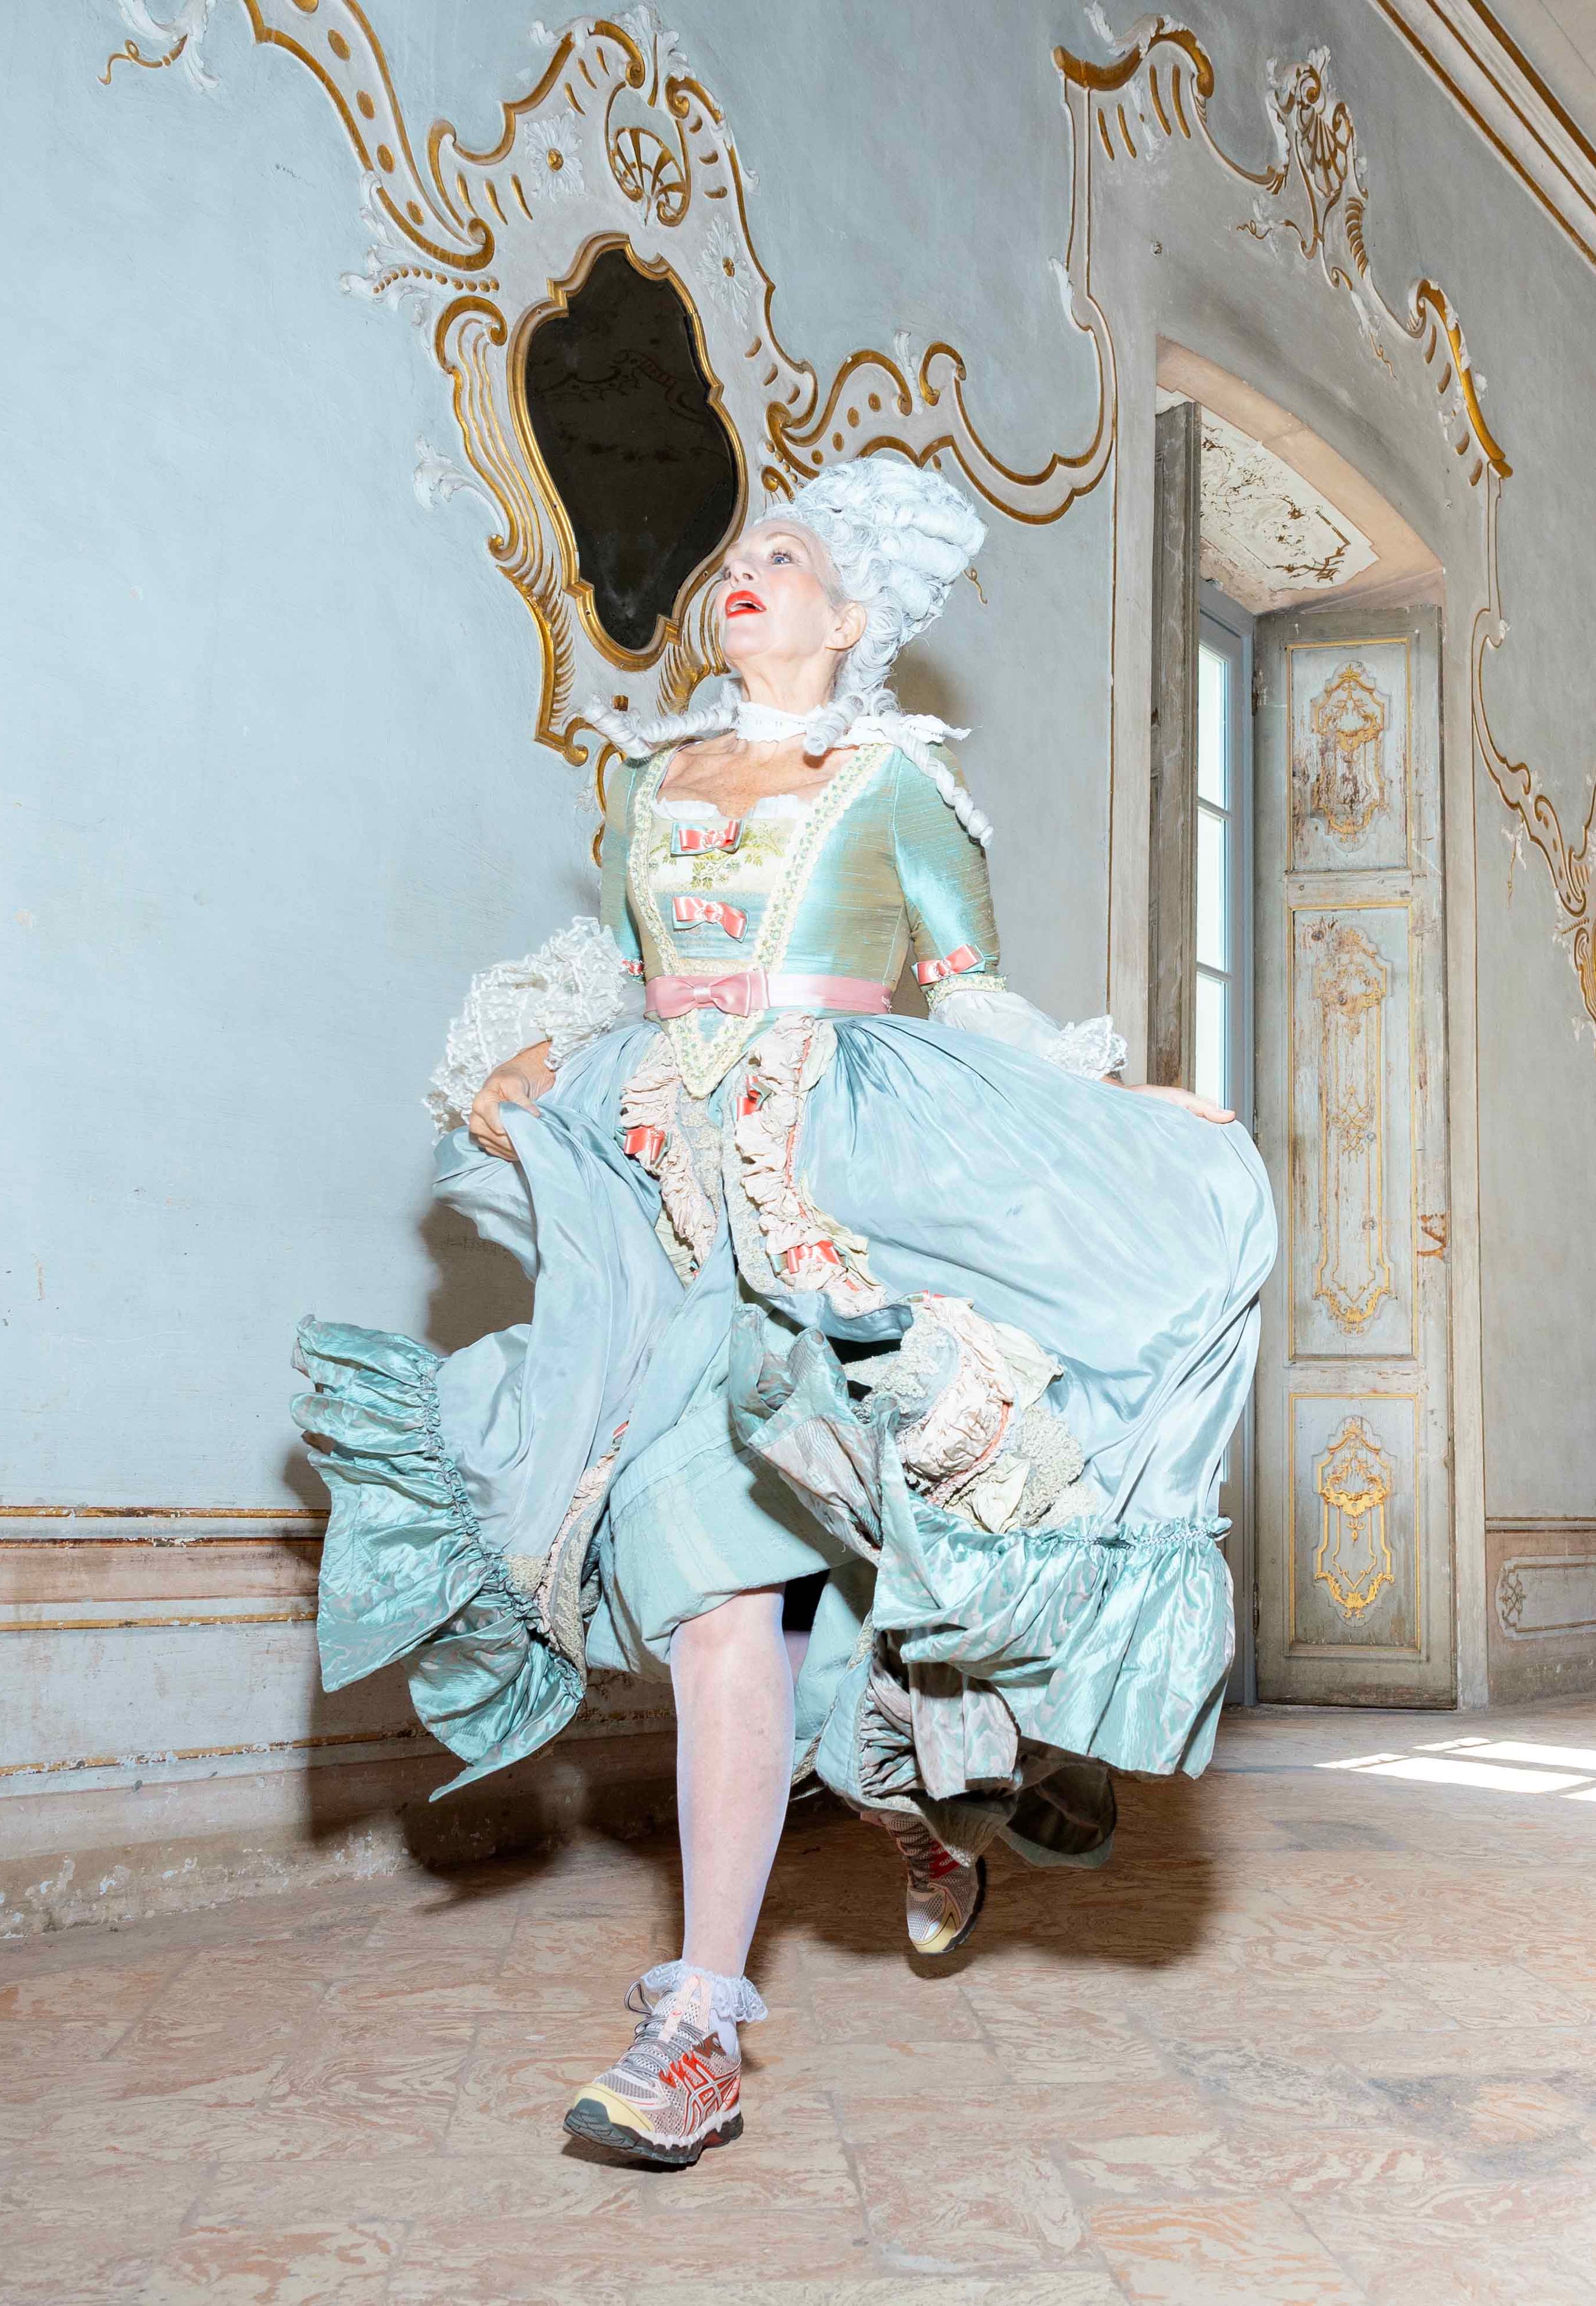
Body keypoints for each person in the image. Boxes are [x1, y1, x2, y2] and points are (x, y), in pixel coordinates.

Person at [291, 453, 1274, 2169]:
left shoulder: (900, 792)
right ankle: (702, 2031)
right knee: (719, 1611)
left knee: (881, 1581)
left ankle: (921, 1799)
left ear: (851, 611)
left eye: (788, 556)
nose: (744, 574)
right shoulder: (648, 786)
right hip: (672, 1227)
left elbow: (970, 1004)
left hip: (843, 1206)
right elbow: (627, 982)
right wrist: (536, 1059)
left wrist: (1114, 1103)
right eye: (738, 558)